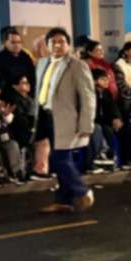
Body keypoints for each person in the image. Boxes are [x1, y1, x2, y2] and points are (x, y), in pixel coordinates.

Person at [35, 27, 96, 214]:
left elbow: (88, 97)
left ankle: (83, 190)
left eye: (62, 41)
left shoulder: (77, 66)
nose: (58, 45)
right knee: (58, 159)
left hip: (65, 119)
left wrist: (87, 124)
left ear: (68, 45)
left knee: (59, 159)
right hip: (45, 117)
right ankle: (64, 201)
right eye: (53, 42)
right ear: (48, 45)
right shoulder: (43, 63)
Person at [85, 69, 121, 173]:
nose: (106, 82)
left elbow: (112, 108)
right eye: (103, 79)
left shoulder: (107, 94)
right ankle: (92, 162)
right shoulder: (90, 93)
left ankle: (108, 159)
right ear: (94, 81)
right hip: (91, 121)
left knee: (109, 130)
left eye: (107, 79)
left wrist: (116, 118)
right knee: (97, 130)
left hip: (103, 121)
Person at [0, 27, 35, 100]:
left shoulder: (26, 57)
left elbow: (32, 77)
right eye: (13, 42)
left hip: (27, 97)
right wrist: (15, 88)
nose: (17, 45)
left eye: (19, 42)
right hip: (7, 98)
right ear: (5, 43)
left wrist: (29, 89)